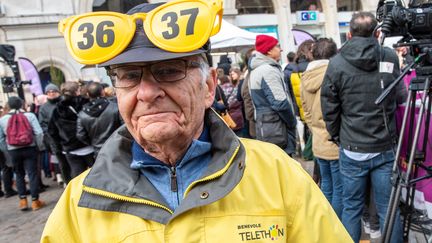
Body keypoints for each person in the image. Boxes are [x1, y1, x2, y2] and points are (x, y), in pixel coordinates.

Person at [42, 2, 351, 242]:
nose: (147, 92)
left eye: (168, 71)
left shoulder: (277, 173)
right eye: (129, 76)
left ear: (208, 87)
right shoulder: (79, 203)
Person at [321, 12, 407, 243]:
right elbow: (400, 96)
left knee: (352, 209)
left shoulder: (336, 63)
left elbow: (329, 107)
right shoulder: (388, 56)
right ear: (377, 33)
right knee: (388, 209)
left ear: (349, 34)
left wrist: (337, 135)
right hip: (383, 145)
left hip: (353, 146)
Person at [300, 38, 342, 217]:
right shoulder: (334, 73)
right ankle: (336, 226)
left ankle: (325, 222)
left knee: (326, 184)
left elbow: (305, 110)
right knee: (339, 188)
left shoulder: (306, 76)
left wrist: (315, 128)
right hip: (335, 139)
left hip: (318, 138)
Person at [249, 34, 297, 156]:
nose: (280, 49)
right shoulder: (268, 70)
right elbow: (280, 103)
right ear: (269, 51)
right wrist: (292, 122)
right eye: (277, 46)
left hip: (268, 129)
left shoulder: (257, 69)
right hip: (277, 130)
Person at [0, 96, 45, 211]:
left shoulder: (3, 120)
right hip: (30, 148)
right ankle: (35, 201)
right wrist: (39, 146)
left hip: (13, 150)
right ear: (21, 104)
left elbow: (1, 139)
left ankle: (23, 200)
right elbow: (39, 133)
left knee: (19, 174)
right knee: (32, 174)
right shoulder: (30, 116)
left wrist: (7, 151)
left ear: (9, 105)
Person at [48, 81, 94, 181]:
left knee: (78, 180)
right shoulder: (86, 103)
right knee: (97, 176)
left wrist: (60, 146)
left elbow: (52, 131)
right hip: (89, 145)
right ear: (77, 91)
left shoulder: (57, 109)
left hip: (70, 148)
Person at [76, 82, 122, 157]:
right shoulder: (115, 107)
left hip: (100, 151)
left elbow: (81, 135)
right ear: (103, 92)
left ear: (88, 94)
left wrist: (94, 143)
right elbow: (124, 127)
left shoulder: (82, 115)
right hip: (117, 147)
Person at [38, 83, 70, 186]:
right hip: (55, 140)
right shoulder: (43, 108)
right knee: (62, 163)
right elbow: (42, 124)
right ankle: (67, 182)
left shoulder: (64, 102)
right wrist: (51, 134)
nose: (51, 94)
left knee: (74, 161)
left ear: (58, 92)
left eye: (53, 91)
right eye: (49, 92)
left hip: (69, 138)